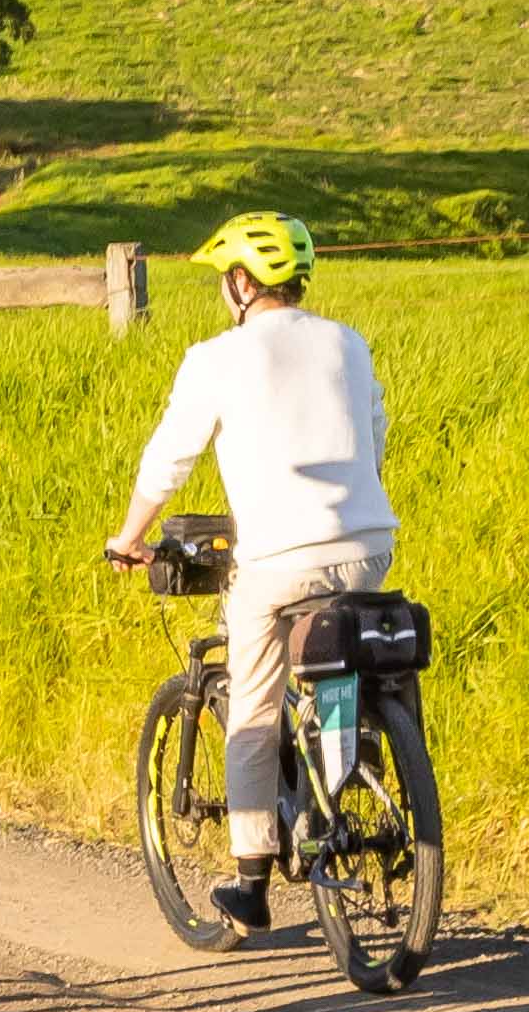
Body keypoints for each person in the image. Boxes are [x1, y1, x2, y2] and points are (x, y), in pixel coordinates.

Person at [102, 207, 395, 937]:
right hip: (367, 546)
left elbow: (171, 456)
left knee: (256, 703)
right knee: (332, 662)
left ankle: (250, 878)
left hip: (279, 561)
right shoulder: (348, 344)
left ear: (240, 281)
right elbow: (373, 435)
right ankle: (347, 777)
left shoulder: (218, 358)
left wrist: (130, 535)